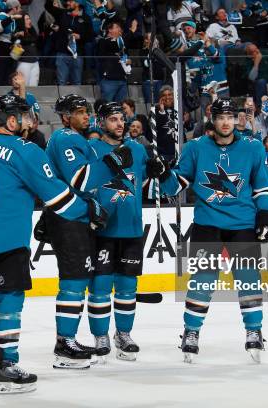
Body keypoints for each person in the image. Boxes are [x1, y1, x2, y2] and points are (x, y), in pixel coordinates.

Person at [0, 94, 101, 393]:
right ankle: (6, 366)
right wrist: (89, 210)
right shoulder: (26, 151)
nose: (31, 121)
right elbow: (59, 199)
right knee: (9, 302)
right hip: (7, 241)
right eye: (25, 115)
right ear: (11, 121)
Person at [167, 98, 268, 364]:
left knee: (249, 279)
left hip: (242, 225)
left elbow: (263, 187)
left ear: (237, 119)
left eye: (230, 117)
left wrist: (266, 212)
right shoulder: (194, 148)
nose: (226, 122)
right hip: (208, 224)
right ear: (212, 120)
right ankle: (191, 332)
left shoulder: (252, 147)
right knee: (202, 281)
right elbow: (174, 187)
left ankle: (254, 331)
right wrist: (162, 174)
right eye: (221, 117)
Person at [43, 94, 133, 369]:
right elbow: (79, 179)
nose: (86, 116)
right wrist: (112, 163)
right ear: (66, 117)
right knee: (73, 282)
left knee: (77, 280)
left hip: (76, 217)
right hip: (67, 217)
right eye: (80, 112)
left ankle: (67, 340)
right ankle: (64, 344)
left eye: (86, 111)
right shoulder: (65, 139)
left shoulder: (78, 140)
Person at [86, 102, 172, 362]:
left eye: (122, 119)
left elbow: (157, 179)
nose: (120, 124)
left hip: (132, 229)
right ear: (101, 123)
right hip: (102, 230)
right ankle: (100, 336)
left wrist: (161, 169)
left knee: (127, 287)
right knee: (100, 287)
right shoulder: (92, 149)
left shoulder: (137, 148)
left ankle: (123, 334)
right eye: (113, 119)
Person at [44, 0, 94, 86]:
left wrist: (80, 36)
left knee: (77, 82)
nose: (68, 3)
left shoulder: (86, 18)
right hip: (62, 54)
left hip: (77, 55)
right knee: (61, 82)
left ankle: (76, 99)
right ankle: (62, 99)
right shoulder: (62, 13)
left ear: (78, 3)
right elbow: (48, 7)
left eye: (71, 1)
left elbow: (90, 37)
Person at [98, 19, 130, 103]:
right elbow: (107, 51)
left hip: (122, 79)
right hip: (109, 80)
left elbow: (126, 55)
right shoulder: (103, 42)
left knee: (120, 108)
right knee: (107, 106)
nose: (119, 29)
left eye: (119, 27)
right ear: (110, 30)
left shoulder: (122, 43)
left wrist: (129, 61)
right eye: (117, 27)